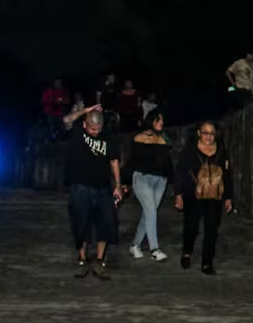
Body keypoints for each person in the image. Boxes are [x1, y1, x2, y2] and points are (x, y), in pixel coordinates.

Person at [60, 105, 122, 279]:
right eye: (92, 129)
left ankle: (100, 260)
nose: (95, 132)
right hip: (80, 186)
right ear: (86, 125)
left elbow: (114, 160)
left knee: (107, 223)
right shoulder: (78, 132)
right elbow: (66, 120)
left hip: (103, 186)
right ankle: (82, 259)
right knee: (81, 223)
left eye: (98, 129)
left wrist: (117, 184)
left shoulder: (108, 137)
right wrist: (86, 110)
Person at [174, 121, 234, 275]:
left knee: (212, 228)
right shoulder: (190, 151)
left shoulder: (221, 152)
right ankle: (187, 252)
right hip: (193, 194)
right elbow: (180, 172)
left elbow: (227, 175)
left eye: (212, 133)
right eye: (205, 132)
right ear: (199, 133)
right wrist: (179, 194)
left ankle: (207, 262)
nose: (209, 136)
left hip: (215, 195)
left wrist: (228, 197)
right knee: (191, 226)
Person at [127, 111, 172, 261]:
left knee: (149, 213)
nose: (161, 123)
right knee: (151, 211)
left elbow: (168, 162)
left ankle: (135, 245)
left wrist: (172, 181)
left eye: (162, 120)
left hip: (160, 180)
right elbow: (132, 161)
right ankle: (155, 249)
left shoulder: (164, 138)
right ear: (151, 121)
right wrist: (124, 183)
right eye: (159, 120)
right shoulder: (139, 137)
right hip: (142, 179)